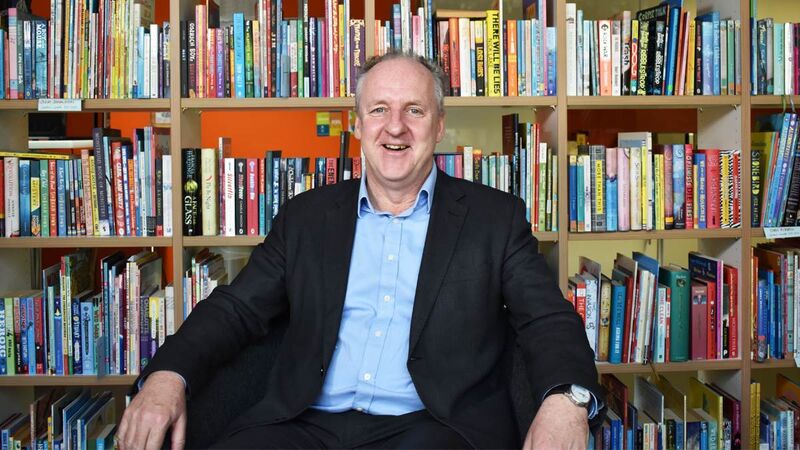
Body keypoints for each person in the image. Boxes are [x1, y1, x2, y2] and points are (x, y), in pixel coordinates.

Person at [118, 51, 604, 450]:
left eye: (414, 110)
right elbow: (235, 309)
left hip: (433, 427)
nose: (395, 128)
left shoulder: (494, 219)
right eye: (379, 110)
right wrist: (168, 375)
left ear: (439, 126)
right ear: (357, 124)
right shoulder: (305, 216)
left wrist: (568, 398)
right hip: (300, 424)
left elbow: (547, 319)